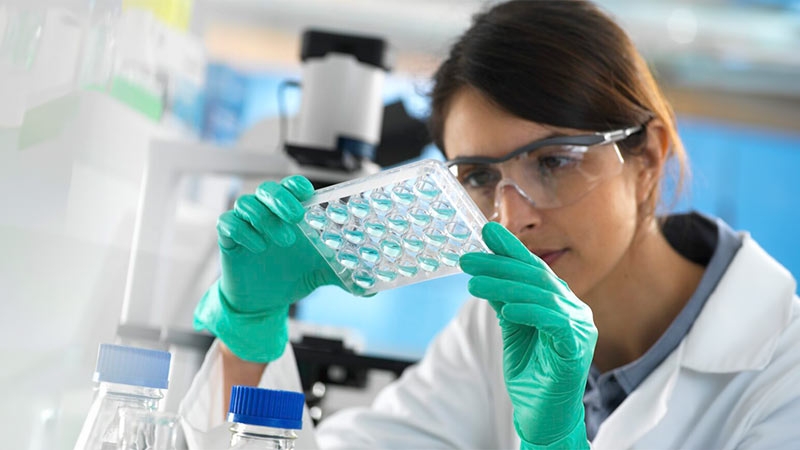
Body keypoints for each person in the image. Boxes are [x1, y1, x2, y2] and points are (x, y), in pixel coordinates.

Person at [180, 1, 800, 448]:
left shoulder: (783, 372)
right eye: (477, 176)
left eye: (554, 161)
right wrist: (250, 334)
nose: (512, 216)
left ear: (649, 157)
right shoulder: (495, 325)